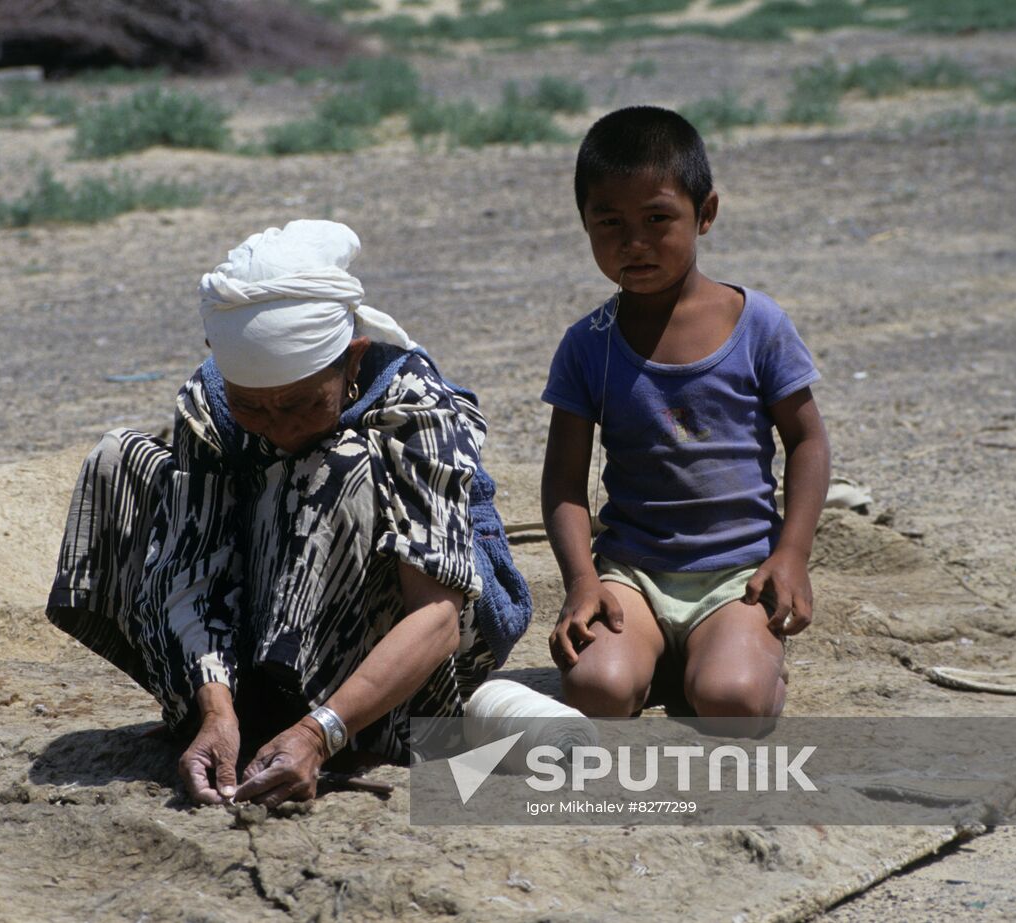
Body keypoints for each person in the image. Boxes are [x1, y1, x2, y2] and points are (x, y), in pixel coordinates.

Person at [47, 219, 530, 807]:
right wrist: (214, 708)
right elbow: (192, 568)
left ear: (352, 360)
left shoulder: (413, 406)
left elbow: (438, 617)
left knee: (339, 464)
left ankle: (350, 721)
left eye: (301, 403)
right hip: (271, 601)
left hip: (422, 638)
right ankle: (237, 715)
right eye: (252, 407)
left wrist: (319, 733)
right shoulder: (211, 403)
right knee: (119, 461)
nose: (278, 427)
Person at [541, 106, 830, 725]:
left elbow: (807, 441)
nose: (634, 242)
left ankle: (730, 656)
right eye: (610, 223)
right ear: (585, 224)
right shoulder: (589, 344)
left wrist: (791, 556)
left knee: (732, 702)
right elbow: (564, 481)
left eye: (657, 219)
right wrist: (583, 581)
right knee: (597, 691)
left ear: (706, 213)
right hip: (633, 575)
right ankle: (667, 657)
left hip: (738, 575)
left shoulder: (758, 325)